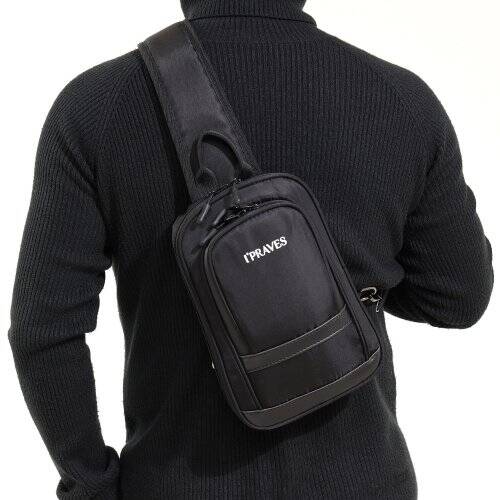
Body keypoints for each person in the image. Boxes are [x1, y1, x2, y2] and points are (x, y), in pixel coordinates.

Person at [9, 1, 493, 499]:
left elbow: (43, 331)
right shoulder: (401, 100)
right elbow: (457, 297)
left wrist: (93, 485)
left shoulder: (96, 108)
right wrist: (346, 285)